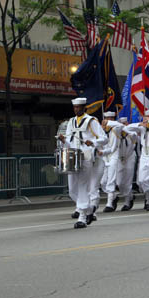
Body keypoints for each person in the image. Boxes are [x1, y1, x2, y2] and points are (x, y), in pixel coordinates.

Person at [58, 97, 107, 228]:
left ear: (84, 108)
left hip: (86, 156)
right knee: (72, 190)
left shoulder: (92, 121)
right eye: (75, 107)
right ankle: (90, 210)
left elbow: (104, 138)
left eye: (78, 107)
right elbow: (70, 142)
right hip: (73, 156)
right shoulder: (71, 122)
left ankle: (82, 217)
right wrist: (63, 141)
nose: (76, 109)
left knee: (82, 186)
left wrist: (94, 142)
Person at [126, 110, 149, 210]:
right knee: (141, 180)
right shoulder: (142, 128)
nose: (146, 119)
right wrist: (140, 124)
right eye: (146, 116)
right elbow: (126, 128)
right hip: (144, 155)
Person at [97, 111, 123, 212]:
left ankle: (109, 203)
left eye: (110, 118)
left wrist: (109, 123)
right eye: (106, 118)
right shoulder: (101, 130)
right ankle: (114, 196)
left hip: (114, 155)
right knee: (103, 182)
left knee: (111, 180)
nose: (108, 120)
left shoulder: (116, 128)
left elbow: (120, 125)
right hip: (104, 157)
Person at [115, 116, 138, 211]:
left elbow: (134, 134)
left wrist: (125, 128)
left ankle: (127, 201)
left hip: (129, 158)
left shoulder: (132, 134)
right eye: (121, 124)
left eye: (125, 124)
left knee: (128, 181)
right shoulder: (117, 134)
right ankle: (130, 195)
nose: (123, 126)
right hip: (120, 159)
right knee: (119, 182)